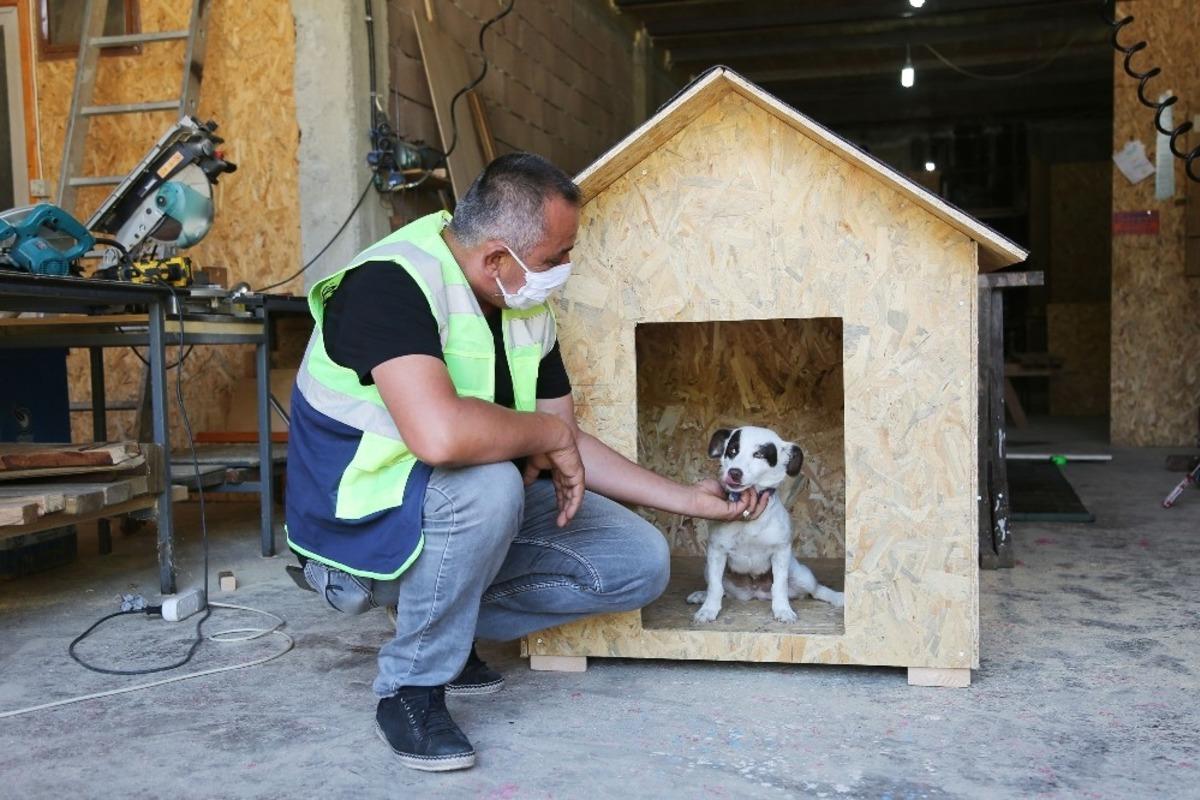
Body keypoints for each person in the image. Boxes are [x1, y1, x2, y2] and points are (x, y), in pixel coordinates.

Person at [284, 152, 767, 772]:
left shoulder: (524, 305)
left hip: (453, 513)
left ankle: (439, 629)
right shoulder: (390, 282)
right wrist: (545, 434)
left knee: (639, 564)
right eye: (554, 258)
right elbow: (441, 437)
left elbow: (563, 438)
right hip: (359, 529)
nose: (564, 270)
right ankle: (411, 690)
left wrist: (685, 498)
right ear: (494, 258)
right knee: (489, 485)